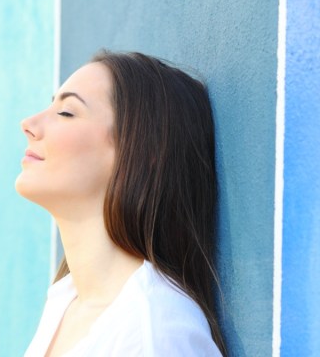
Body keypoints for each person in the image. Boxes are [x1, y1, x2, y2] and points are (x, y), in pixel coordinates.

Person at [15, 50, 227, 356]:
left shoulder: (154, 331)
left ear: (143, 152)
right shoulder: (67, 299)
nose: (29, 124)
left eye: (66, 112)